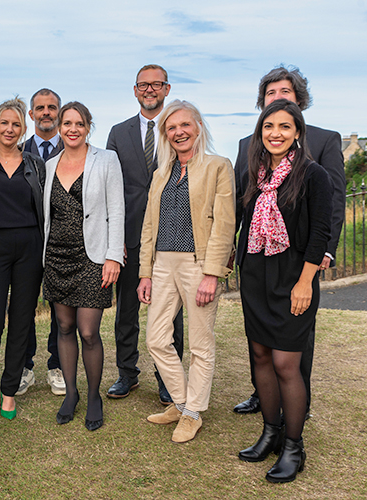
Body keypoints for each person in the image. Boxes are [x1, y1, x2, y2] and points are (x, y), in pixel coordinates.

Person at [232, 66, 346, 416]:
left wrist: (321, 255)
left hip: (297, 265)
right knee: (262, 351)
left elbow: (333, 203)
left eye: (285, 92)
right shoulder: (249, 151)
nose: (277, 98)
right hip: (256, 265)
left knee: (292, 353)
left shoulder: (322, 144)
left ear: (298, 104)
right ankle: (265, 404)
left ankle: (297, 405)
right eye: (270, 94)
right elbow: (239, 205)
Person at [237, 99, 332, 483]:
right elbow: (244, 221)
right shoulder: (254, 174)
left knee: (285, 364)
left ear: (297, 133)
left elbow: (320, 233)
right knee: (260, 355)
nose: (275, 133)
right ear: (261, 133)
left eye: (284, 127)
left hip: (294, 278)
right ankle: (270, 432)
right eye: (268, 127)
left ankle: (294, 445)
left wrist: (306, 282)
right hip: (256, 275)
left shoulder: (313, 175)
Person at [139, 100, 235, 443]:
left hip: (199, 264)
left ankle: (193, 412)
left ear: (198, 127)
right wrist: (145, 273)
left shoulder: (218, 166)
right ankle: (180, 402)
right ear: (166, 134)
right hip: (162, 264)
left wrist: (213, 273)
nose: (178, 132)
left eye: (185, 125)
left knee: (200, 344)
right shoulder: (161, 174)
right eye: (171, 127)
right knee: (156, 339)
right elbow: (149, 225)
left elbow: (225, 224)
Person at [43, 101, 125, 431]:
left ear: (89, 126)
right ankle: (71, 393)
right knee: (63, 328)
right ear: (59, 127)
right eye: (67, 123)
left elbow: (117, 210)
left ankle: (94, 395)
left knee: (88, 331)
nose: (72, 129)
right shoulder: (49, 165)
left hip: (93, 257)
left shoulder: (106, 159)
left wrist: (113, 256)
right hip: (57, 256)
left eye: (79, 123)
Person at [105, 64, 184, 404]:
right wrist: (114, 236)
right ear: (134, 90)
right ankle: (127, 373)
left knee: (170, 313)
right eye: (143, 85)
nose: (149, 90)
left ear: (167, 89)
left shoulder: (179, 129)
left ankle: (168, 378)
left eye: (156, 84)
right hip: (129, 237)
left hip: (172, 237)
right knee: (126, 311)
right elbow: (109, 187)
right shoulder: (118, 133)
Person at [0, 97, 46, 420]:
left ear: (23, 128)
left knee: (21, 321)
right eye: (4, 123)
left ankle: (10, 388)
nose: (10, 129)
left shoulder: (34, 163)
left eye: (16, 124)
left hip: (29, 246)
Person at [19, 88, 66, 396]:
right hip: (26, 242)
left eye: (52, 107)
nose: (46, 112)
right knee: (23, 307)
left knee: (61, 311)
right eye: (40, 107)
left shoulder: (77, 149)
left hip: (64, 243)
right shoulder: (15, 150)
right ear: (31, 114)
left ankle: (57, 365)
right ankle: (24, 366)